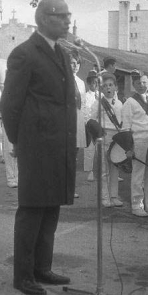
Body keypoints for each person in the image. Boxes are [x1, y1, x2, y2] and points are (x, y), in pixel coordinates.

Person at [0, 0, 76, 295]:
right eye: (61, 16)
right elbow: (9, 104)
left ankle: (43, 267)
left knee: (51, 208)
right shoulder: (24, 53)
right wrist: (22, 140)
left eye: (68, 15)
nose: (67, 21)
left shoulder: (62, 52)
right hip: (37, 145)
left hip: (59, 144)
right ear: (44, 18)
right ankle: (23, 276)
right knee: (32, 210)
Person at [121, 70, 148, 217]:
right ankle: (136, 205)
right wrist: (128, 148)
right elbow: (125, 127)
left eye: (144, 82)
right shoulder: (130, 102)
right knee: (138, 174)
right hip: (139, 140)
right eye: (138, 83)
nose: (141, 85)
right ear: (133, 85)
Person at [90, 72, 123, 207]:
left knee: (115, 168)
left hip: (117, 137)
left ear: (115, 87)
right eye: (105, 86)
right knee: (104, 170)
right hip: (104, 136)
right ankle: (104, 197)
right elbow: (91, 120)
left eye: (111, 85)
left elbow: (122, 121)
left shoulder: (120, 103)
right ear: (101, 89)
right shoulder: (98, 103)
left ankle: (114, 195)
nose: (108, 88)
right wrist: (97, 132)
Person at [69, 51, 87, 197]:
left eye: (77, 63)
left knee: (74, 156)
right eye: (71, 62)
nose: (74, 66)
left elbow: (84, 105)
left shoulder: (81, 83)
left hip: (78, 121)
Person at [84, 70, 98, 181]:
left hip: (100, 127)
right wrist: (89, 125)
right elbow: (85, 112)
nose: (95, 85)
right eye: (93, 82)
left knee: (102, 150)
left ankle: (105, 171)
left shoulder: (101, 96)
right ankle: (89, 172)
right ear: (89, 84)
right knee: (89, 149)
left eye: (97, 82)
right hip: (90, 126)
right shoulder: (86, 96)